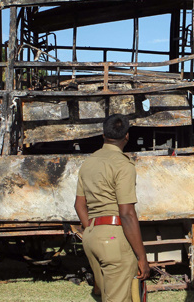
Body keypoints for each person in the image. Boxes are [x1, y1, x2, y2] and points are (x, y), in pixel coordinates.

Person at [74, 114, 150, 302]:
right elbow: (127, 214)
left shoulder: (88, 162)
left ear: (103, 134)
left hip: (91, 235)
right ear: (127, 136)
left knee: (107, 295)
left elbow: (79, 204)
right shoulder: (123, 164)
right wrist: (142, 257)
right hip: (114, 238)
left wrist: (92, 228)